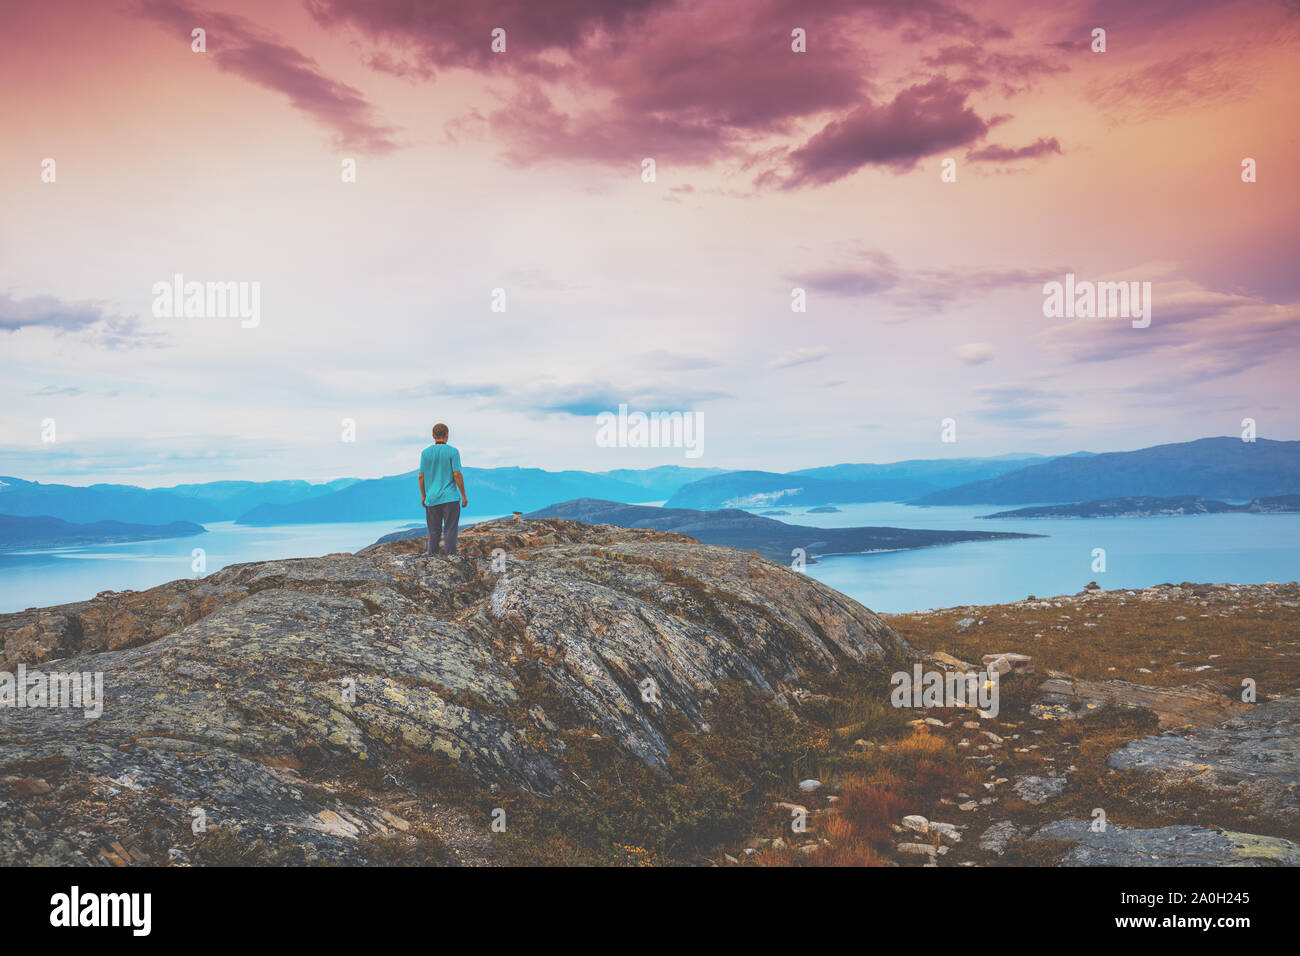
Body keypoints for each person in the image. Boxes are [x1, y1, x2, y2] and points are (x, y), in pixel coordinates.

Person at [418, 423, 468, 557]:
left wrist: (423, 496)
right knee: (450, 529)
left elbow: (421, 476)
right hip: (450, 498)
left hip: (432, 498)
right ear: (447, 435)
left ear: (433, 436)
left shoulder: (425, 453)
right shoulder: (453, 451)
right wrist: (463, 495)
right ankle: (451, 557)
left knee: (433, 531)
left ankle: (432, 558)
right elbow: (457, 474)